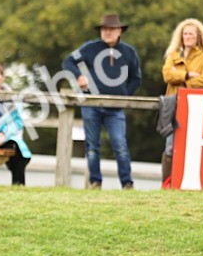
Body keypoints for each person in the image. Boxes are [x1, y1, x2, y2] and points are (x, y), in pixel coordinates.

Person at [61, 13, 142, 190]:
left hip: (115, 107)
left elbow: (136, 78)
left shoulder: (129, 52)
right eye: (104, 29)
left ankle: (127, 183)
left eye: (111, 29)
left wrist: (123, 95)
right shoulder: (90, 48)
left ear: (120, 31)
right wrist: (79, 76)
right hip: (91, 104)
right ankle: (95, 182)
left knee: (120, 144)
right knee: (92, 146)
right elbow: (68, 62)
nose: (107, 32)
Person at [160, 18, 203, 182]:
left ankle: (187, 181)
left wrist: (180, 81)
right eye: (185, 33)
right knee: (170, 145)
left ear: (198, 37)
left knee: (191, 145)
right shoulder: (173, 55)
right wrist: (188, 76)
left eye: (191, 33)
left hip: (194, 107)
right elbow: (167, 75)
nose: (188, 36)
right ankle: (167, 182)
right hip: (173, 105)